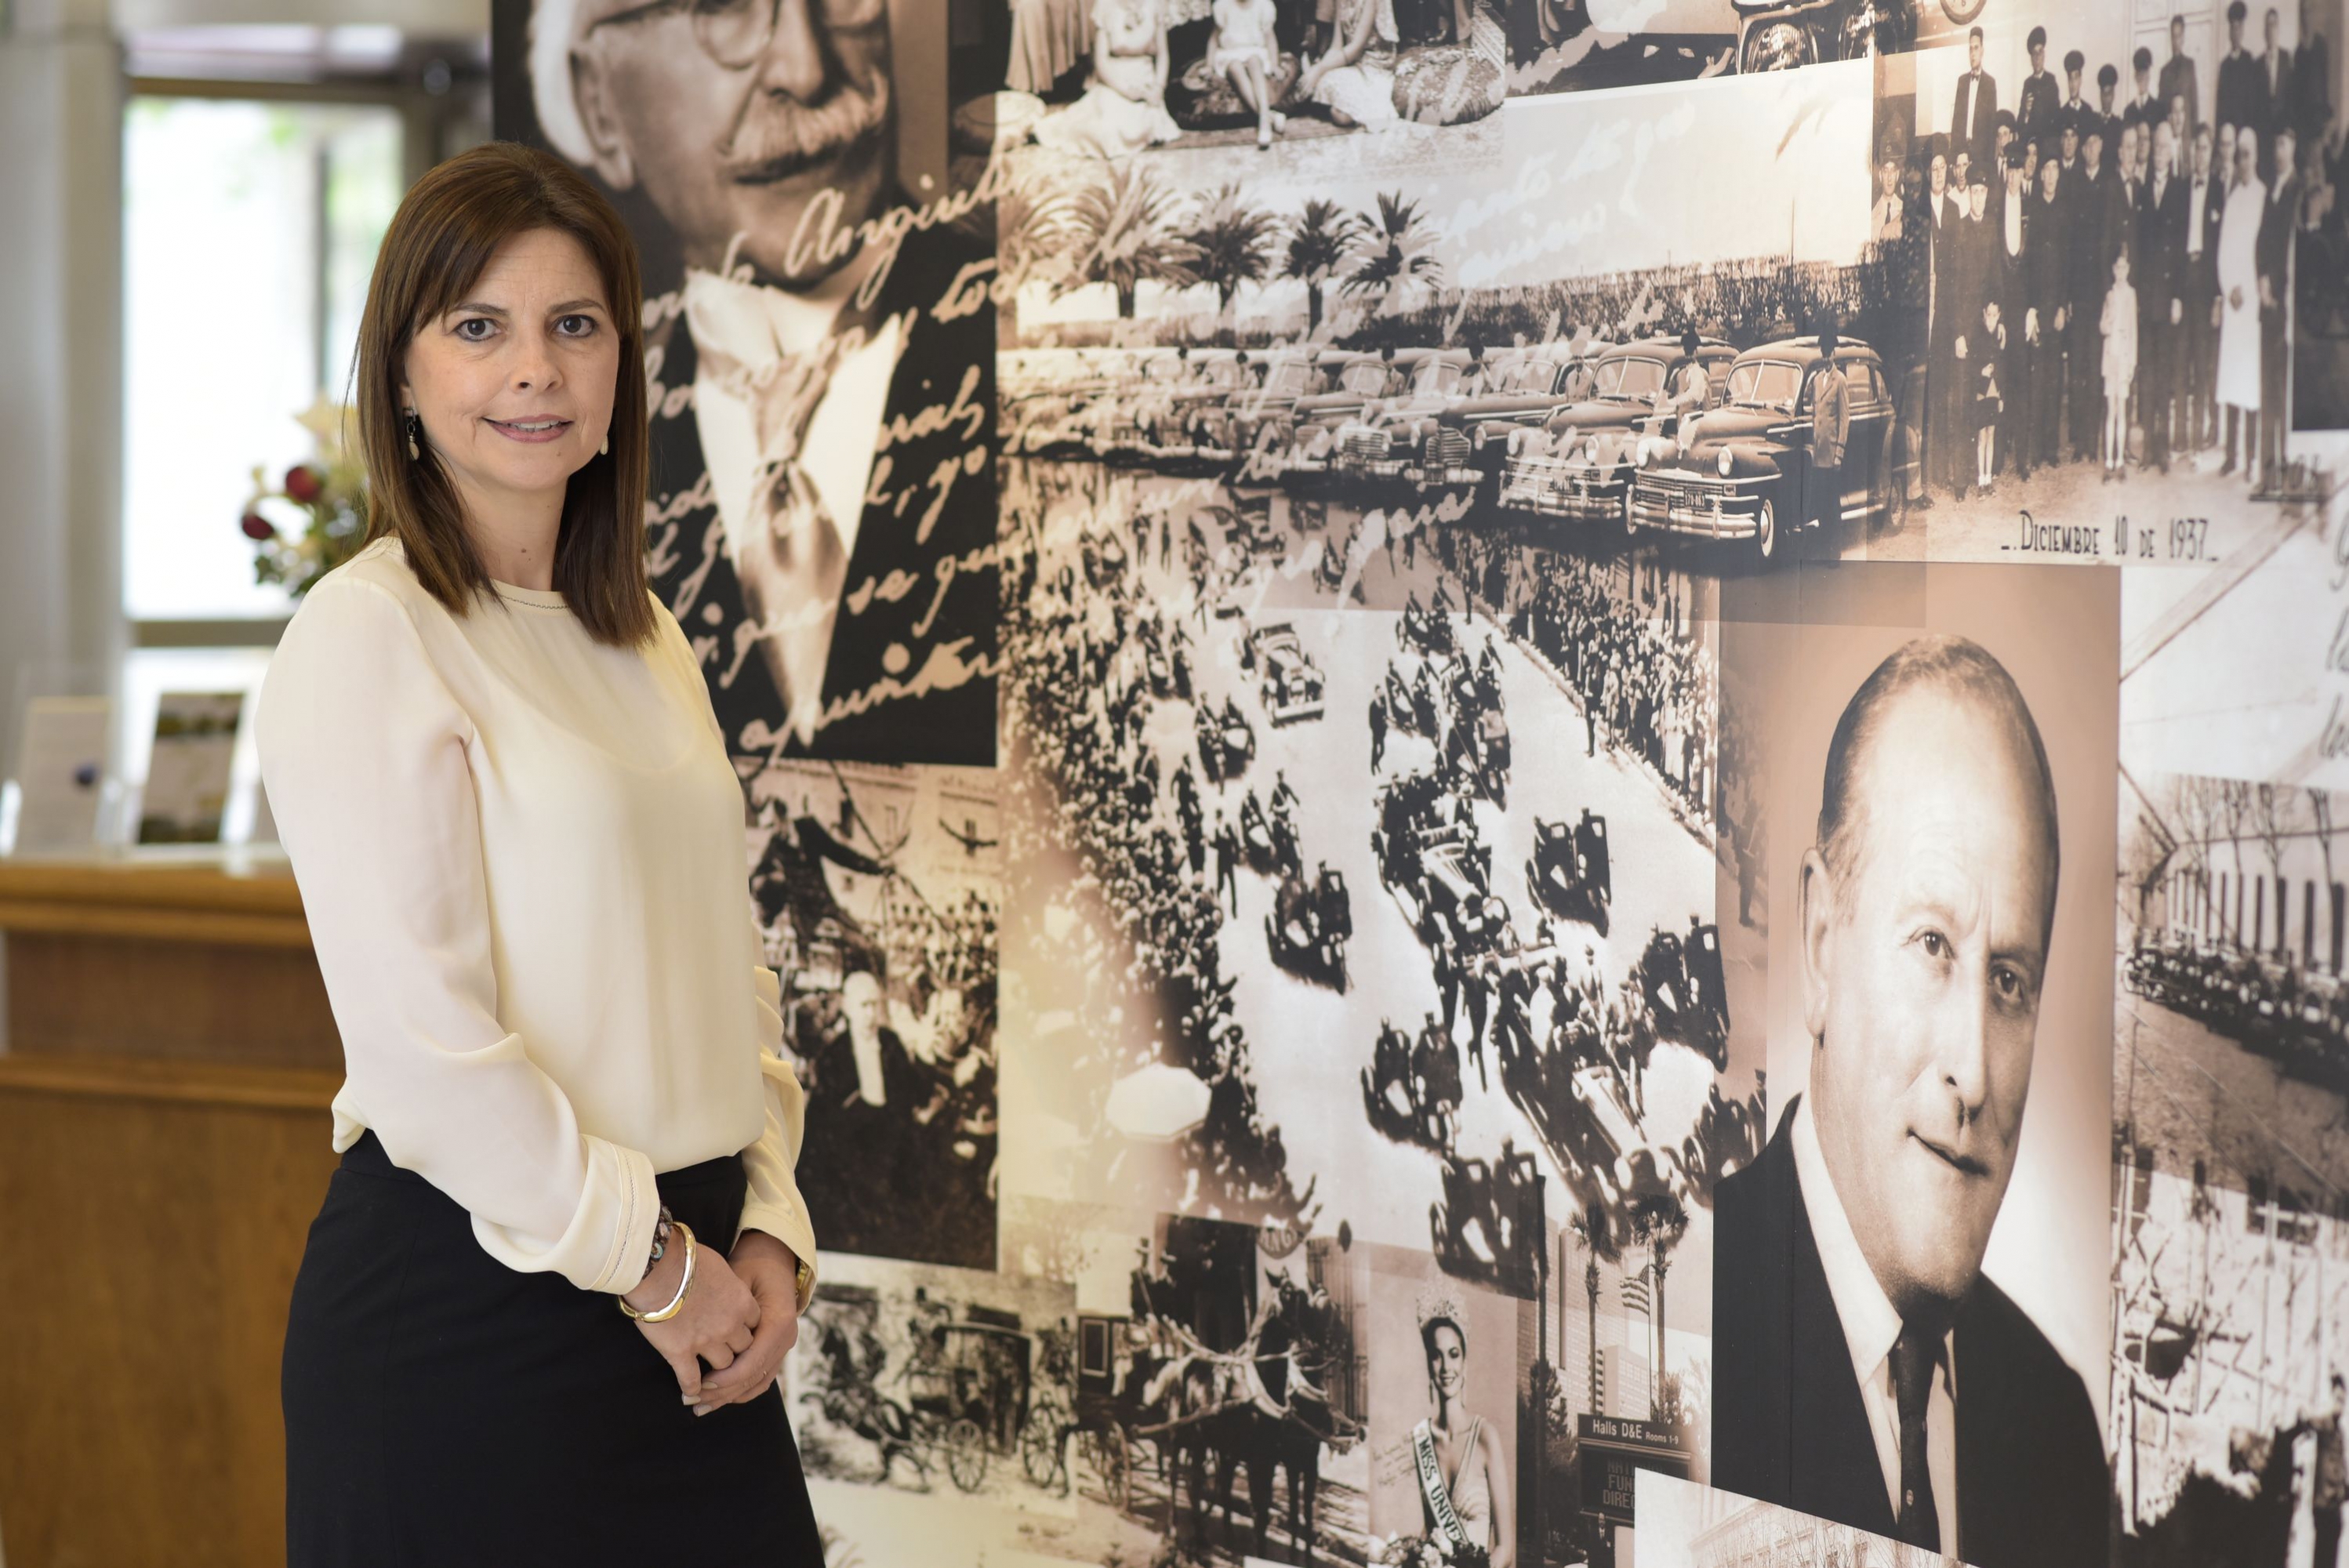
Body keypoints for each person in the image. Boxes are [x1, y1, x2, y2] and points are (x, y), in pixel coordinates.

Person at [262, 143, 824, 1566]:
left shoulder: (645, 634)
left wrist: (769, 1220)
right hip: (473, 1327)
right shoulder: (366, 633)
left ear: (621, 365)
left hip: (692, 1298)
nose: (535, 370)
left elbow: (726, 969)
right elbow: (423, 1054)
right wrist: (658, 1269)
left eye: (575, 325)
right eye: (478, 327)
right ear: (401, 375)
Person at [1710, 634, 2105, 1568]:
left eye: (2008, 979)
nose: (1973, 1070)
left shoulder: (2057, 1427)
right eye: (1931, 944)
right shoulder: (1697, 1317)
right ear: (1819, 941)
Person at [525, 0, 997, 767]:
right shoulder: (566, 463)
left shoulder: (1031, 348)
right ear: (600, 103)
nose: (805, 70)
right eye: (721, 7)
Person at [1410, 1294, 1515, 1566]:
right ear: (1428, 1364)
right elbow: (1431, 1530)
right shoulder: (1422, 1439)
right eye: (1437, 1356)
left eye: (1454, 1355)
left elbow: (1505, 1547)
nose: (1446, 1367)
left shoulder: (1485, 1437)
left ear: (1464, 1362)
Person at [1031, 0, 1183, 159]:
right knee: (1104, 129)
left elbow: (1163, 55)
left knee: (1135, 128)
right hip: (1114, 81)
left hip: (1145, 81)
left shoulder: (1155, 4)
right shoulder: (1105, 5)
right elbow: (1101, 61)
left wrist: (1158, 87)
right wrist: (1126, 91)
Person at [2139, 118, 2187, 470]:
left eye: (2165, 148)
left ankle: (2163, 449)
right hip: (2146, 298)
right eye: (2156, 146)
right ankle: (2147, 451)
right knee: (2148, 375)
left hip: (2168, 297)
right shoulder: (2142, 189)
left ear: (2172, 153)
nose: (2160, 153)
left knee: (2165, 375)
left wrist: (2178, 297)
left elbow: (2182, 249)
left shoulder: (2181, 191)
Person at [2220, 127, 2268, 475]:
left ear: (2256, 156)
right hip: (2233, 301)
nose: (2244, 161)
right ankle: (2230, 456)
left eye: (2248, 154)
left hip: (2252, 303)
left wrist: (2248, 291)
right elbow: (2224, 251)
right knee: (2231, 378)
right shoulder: (2233, 198)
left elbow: (2262, 251)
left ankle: (2251, 458)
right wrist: (2229, 288)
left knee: (2250, 381)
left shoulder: (2264, 196)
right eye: (2240, 155)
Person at [2258, 122, 2299, 487]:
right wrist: (2261, 280)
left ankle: (2288, 468)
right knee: (2267, 388)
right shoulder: (2271, 189)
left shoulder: (2298, 190)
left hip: (2288, 305)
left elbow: (2294, 250)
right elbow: (2262, 242)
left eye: (2283, 144)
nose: (2278, 151)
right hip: (2267, 302)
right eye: (2275, 145)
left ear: (2294, 148)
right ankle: (2268, 470)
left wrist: (2280, 291)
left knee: (2285, 390)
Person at [1210, 0, 1287, 149]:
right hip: (1230, 52)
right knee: (1235, 66)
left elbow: (1270, 38)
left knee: (1254, 61)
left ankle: (1264, 120)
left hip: (1255, 50)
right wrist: (1209, 65)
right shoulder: (1223, 5)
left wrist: (1275, 64)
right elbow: (1214, 39)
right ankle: (1269, 116)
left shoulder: (1263, 5)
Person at [2102, 250, 2140, 480]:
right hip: (2110, 358)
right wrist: (2109, 320)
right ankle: (2109, 461)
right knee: (2111, 411)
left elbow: (2133, 329)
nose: (2121, 272)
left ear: (2129, 270)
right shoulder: (2109, 295)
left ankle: (2120, 461)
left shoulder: (2131, 294)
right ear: (2113, 270)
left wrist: (2132, 361)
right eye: (2118, 268)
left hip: (2124, 358)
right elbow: (2103, 327)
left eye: (2124, 268)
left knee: (2122, 412)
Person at [1808, 328, 1850, 534]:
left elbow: (1844, 418)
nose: (1826, 358)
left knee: (1833, 503)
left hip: (1832, 453)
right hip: (1818, 453)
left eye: (1829, 353)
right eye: (1823, 354)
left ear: (1834, 354)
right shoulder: (1816, 380)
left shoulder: (1840, 380)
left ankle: (1834, 547)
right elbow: (1815, 413)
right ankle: (1824, 543)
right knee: (1821, 502)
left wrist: (1839, 453)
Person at [2218, 0, 2267, 147]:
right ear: (2229, 33)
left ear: (2243, 31)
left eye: (2239, 28)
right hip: (2229, 136)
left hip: (2246, 131)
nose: (2236, 33)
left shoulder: (2250, 62)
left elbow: (2254, 103)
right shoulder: (2225, 66)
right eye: (2233, 28)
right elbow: (2220, 108)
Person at [1951, 28, 1999, 176]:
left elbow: (1992, 127)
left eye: (1976, 48)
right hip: (1961, 152)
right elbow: (1956, 122)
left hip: (1981, 156)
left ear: (1982, 51)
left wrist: (1988, 164)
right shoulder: (1962, 81)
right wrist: (1953, 157)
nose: (1973, 53)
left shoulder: (1990, 83)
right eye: (1970, 49)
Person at [2162, 13, 2202, 139]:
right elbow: (2162, 109)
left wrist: (2194, 137)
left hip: (2186, 136)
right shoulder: (2164, 72)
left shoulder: (2190, 66)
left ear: (2183, 38)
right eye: (2173, 37)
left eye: (2178, 36)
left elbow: (2194, 105)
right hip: (2169, 135)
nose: (2176, 41)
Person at [2017, 28, 2057, 154]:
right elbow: (2020, 123)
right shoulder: (2027, 84)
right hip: (2030, 146)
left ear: (2044, 55)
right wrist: (2027, 113)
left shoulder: (2051, 81)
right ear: (2031, 59)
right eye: (2034, 53)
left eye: (2040, 52)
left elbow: (2056, 117)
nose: (2037, 57)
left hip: (2047, 146)